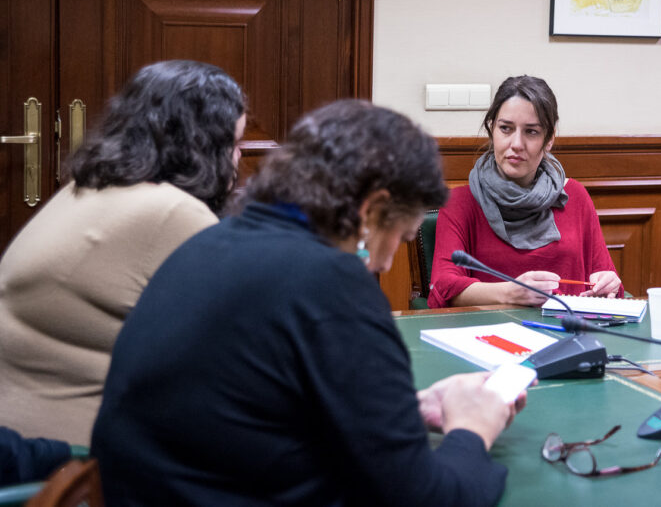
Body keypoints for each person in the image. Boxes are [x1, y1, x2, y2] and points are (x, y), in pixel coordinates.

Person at [91, 100, 525, 506]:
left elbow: (245, 410)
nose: (389, 258)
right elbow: (425, 496)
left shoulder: (209, 243)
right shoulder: (330, 282)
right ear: (371, 211)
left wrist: (402, 411)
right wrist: (472, 430)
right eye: (401, 236)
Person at [0, 60, 246, 446]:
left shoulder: (86, 187)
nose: (238, 160)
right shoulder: (171, 212)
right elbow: (248, 336)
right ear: (205, 145)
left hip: (18, 437)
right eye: (234, 144)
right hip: (74, 466)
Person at [428, 75, 621, 308]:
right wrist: (509, 293)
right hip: (489, 337)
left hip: (568, 335)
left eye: (531, 132)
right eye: (506, 128)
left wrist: (608, 284)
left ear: (549, 139)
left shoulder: (575, 196)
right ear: (492, 129)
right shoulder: (460, 203)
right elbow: (443, 287)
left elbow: (607, 279)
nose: (516, 144)